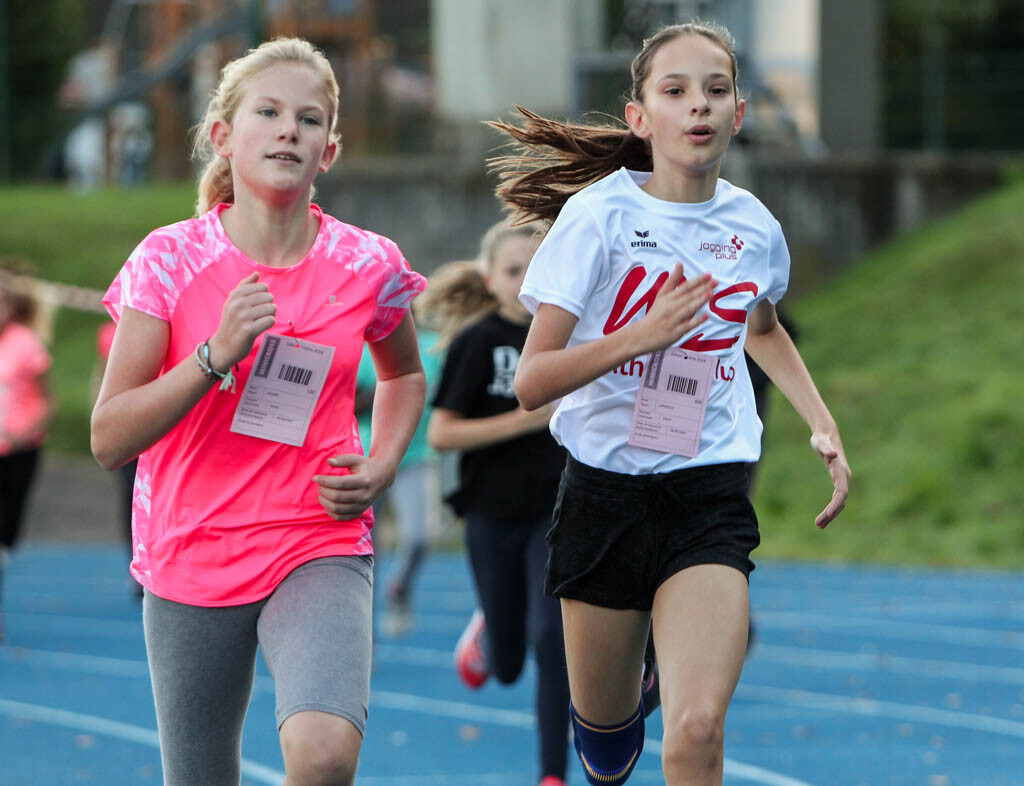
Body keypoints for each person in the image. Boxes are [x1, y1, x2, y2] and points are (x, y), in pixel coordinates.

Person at [488, 20, 850, 786]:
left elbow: (763, 328)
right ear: (640, 116)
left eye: (716, 91)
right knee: (607, 748)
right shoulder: (597, 219)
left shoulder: (753, 227)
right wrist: (640, 337)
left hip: (706, 498)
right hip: (603, 498)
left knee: (696, 731)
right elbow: (532, 381)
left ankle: (670, 684)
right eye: (676, 90)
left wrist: (822, 422)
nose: (699, 106)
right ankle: (625, 700)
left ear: (738, 114)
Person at [90, 38, 427, 786]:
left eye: (308, 119)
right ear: (223, 136)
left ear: (328, 151)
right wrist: (213, 355)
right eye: (268, 113)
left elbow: (403, 374)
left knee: (325, 755)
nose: (288, 131)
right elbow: (109, 438)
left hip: (317, 535)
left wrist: (381, 464)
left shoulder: (368, 263)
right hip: (192, 546)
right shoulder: (168, 260)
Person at [421, 222, 571, 786]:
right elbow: (441, 434)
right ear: (490, 279)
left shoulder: (568, 336)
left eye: (536, 270)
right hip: (490, 512)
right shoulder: (478, 341)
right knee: (508, 666)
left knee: (552, 639)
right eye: (513, 271)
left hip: (556, 512)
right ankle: (489, 629)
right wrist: (522, 420)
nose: (526, 282)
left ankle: (552, 774)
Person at [354, 326, 443, 637]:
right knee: (364, 551)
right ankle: (364, 639)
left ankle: (400, 587)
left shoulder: (434, 346)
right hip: (368, 454)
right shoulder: (362, 346)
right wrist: (396, 387)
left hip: (417, 455)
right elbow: (349, 401)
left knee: (420, 537)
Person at [0, 281, 53, 644]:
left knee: (7, 532)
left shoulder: (26, 343)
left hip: (20, 450)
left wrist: (28, 430)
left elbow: (49, 399)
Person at [94, 320, 141, 597]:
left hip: (157, 421)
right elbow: (103, 377)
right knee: (130, 496)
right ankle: (136, 564)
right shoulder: (109, 333)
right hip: (129, 428)